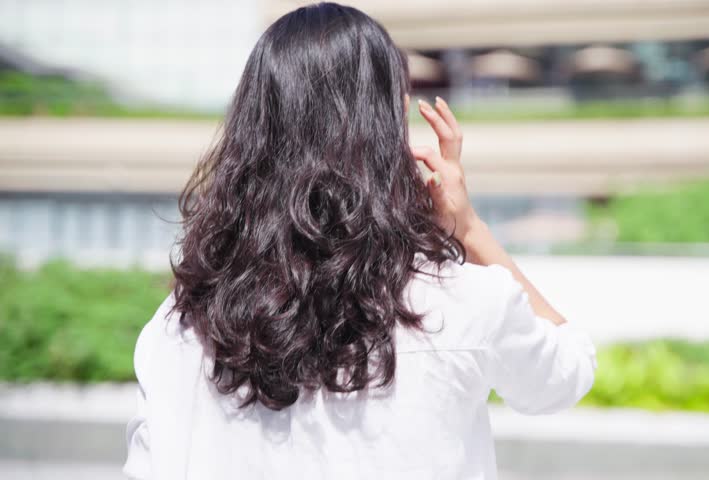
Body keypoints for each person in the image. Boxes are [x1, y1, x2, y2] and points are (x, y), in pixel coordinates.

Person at [122, 2, 597, 479]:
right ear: (389, 128)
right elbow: (568, 371)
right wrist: (469, 228)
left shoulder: (183, 327)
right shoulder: (464, 301)